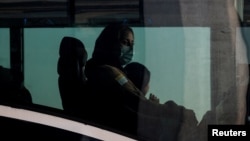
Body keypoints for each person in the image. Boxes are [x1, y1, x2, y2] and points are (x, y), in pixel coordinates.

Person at [84, 23, 198, 141]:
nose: (130, 49)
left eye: (132, 44)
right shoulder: (108, 73)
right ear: (110, 42)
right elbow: (138, 104)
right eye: (125, 42)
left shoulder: (108, 71)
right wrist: (178, 113)